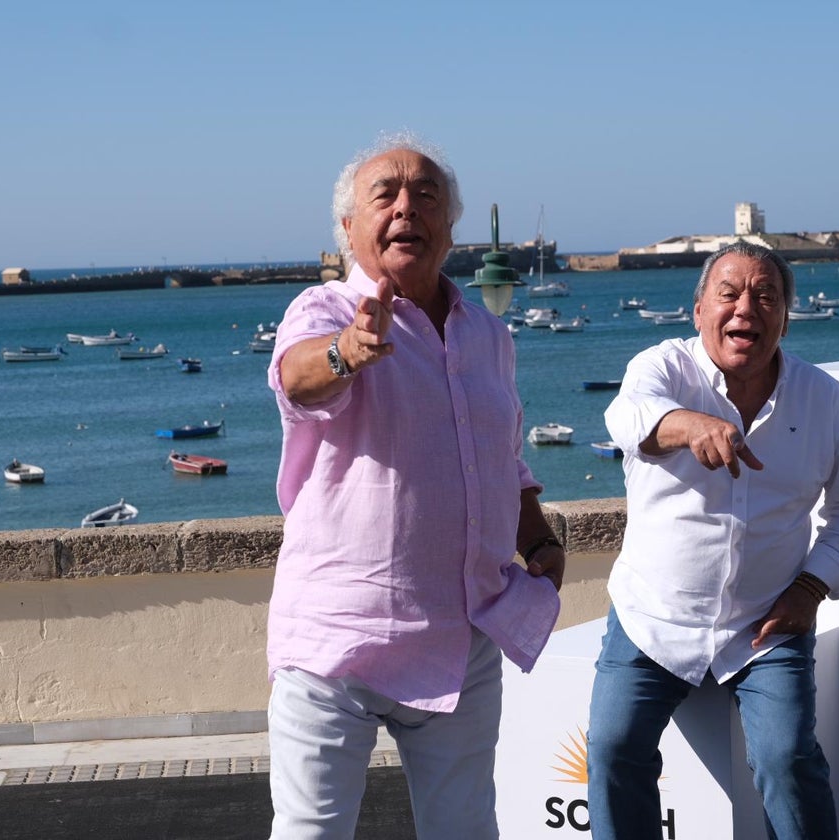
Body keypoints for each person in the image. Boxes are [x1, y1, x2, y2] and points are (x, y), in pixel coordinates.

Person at [265, 131, 565, 840]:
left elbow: (501, 458)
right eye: (386, 195)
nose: (408, 207)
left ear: (449, 227)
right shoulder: (324, 312)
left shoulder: (489, 334)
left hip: (462, 633)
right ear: (349, 228)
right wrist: (346, 353)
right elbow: (294, 378)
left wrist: (538, 536)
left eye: (426, 195)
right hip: (338, 641)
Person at [586, 240, 839, 839]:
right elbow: (627, 415)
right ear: (699, 312)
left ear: (784, 318)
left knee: (788, 759)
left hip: (764, 624)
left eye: (765, 296)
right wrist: (689, 424)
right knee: (614, 748)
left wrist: (809, 588)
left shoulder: (820, 397)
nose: (745, 307)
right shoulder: (663, 366)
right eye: (729, 294)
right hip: (654, 618)